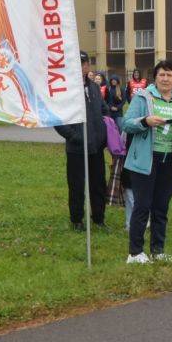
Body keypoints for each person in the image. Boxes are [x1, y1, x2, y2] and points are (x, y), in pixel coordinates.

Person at [121, 59, 172, 263]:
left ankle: (158, 250)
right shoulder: (142, 98)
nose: (165, 78)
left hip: (170, 160)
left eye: (170, 75)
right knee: (142, 206)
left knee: (161, 207)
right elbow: (126, 124)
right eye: (161, 74)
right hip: (145, 160)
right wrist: (145, 122)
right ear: (155, 78)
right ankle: (135, 252)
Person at [56, 59, 108, 230]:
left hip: (96, 147)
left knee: (98, 185)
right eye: (77, 63)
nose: (81, 67)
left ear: (88, 66)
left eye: (84, 63)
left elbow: (103, 110)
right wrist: (73, 136)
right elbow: (58, 118)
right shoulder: (65, 88)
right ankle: (77, 220)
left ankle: (99, 219)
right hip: (77, 148)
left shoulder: (94, 87)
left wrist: (103, 134)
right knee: (77, 185)